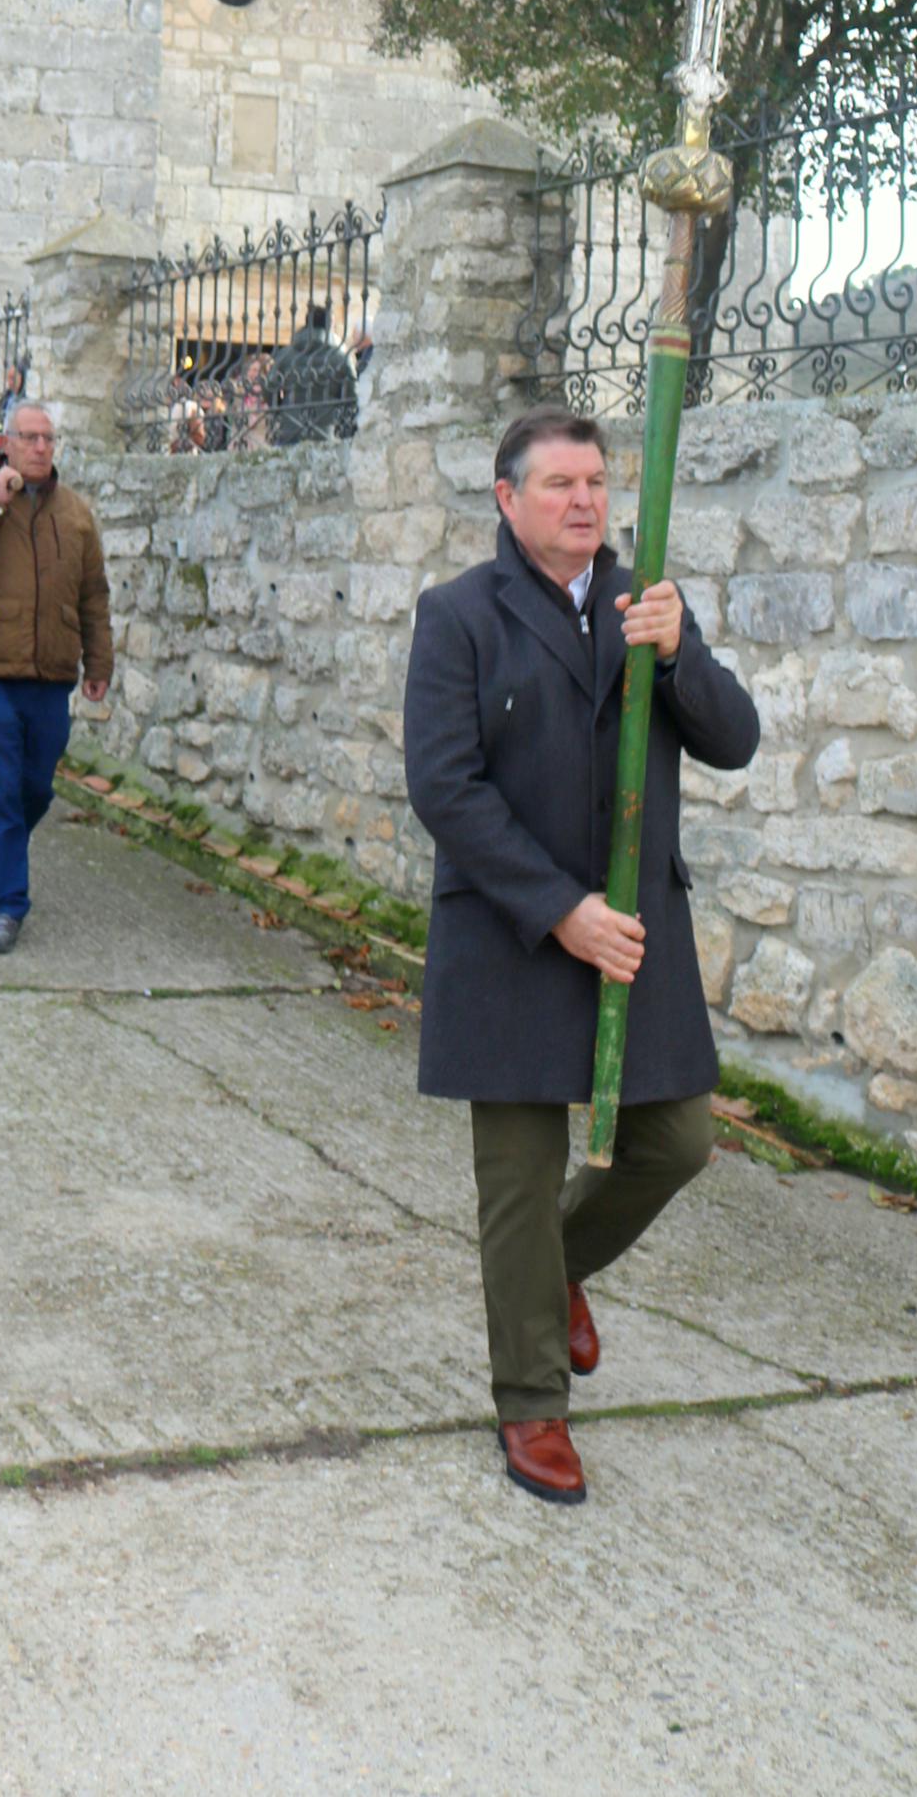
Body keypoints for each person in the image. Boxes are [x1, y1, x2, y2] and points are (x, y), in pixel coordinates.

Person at [403, 407, 759, 1510]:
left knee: (676, 1138)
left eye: (595, 480)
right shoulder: (458, 614)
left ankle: (552, 1278)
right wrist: (559, 908)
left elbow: (733, 739)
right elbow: (444, 786)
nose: (583, 500)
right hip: (515, 934)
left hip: (633, 940)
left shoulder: (643, 604)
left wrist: (680, 649)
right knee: (513, 1182)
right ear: (506, 498)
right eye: (557, 482)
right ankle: (531, 1402)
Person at [0, 399, 112, 955]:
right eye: (30, 438)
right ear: (5, 443)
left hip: (52, 673)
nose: (40, 448)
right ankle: (8, 905)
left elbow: (94, 595)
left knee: (37, 785)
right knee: (4, 789)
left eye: (48, 439)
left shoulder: (76, 513)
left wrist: (99, 662)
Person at [262, 303, 360, 446]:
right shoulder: (340, 357)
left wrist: (281, 407)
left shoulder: (286, 354)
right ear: (330, 326)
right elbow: (352, 395)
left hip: (290, 426)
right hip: (326, 428)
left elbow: (269, 386)